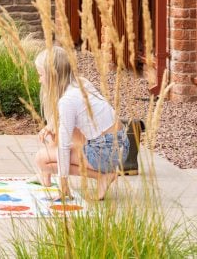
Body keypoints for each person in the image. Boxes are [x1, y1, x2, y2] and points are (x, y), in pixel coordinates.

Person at [34, 44, 129, 201]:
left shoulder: (67, 100)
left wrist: (63, 185)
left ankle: (102, 176)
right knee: (59, 132)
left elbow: (63, 147)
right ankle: (103, 174)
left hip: (105, 152)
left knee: (41, 159)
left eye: (41, 75)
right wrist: (51, 126)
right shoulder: (80, 82)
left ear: (53, 75)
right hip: (121, 144)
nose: (39, 80)